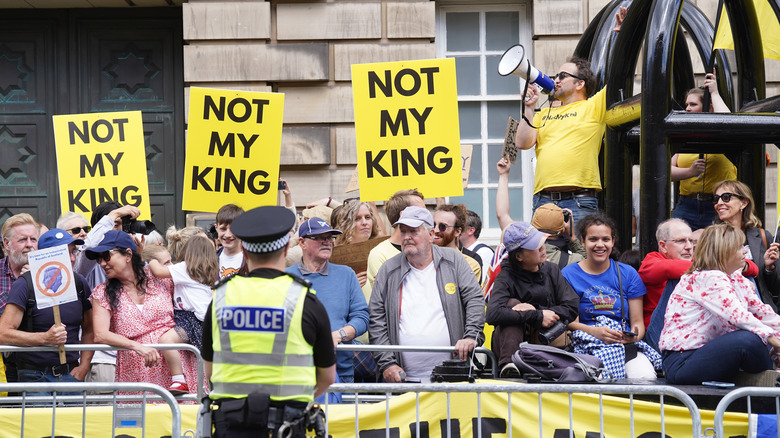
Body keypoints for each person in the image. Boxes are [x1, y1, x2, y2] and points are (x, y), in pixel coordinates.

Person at [201, 206, 335, 437]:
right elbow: (327, 377)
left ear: (244, 248)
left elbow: (210, 371)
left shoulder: (220, 298)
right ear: (286, 248)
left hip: (231, 425)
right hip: (287, 425)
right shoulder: (304, 300)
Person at [369, 206, 485, 382]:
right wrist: (387, 364)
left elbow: (474, 299)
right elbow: (376, 319)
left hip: (452, 376)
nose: (407, 237)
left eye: (414, 231)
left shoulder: (454, 260)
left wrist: (471, 336)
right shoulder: (388, 269)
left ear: (431, 234)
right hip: (403, 381)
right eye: (403, 231)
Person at [659, 224, 780, 385]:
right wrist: (775, 342)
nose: (745, 251)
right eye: (739, 247)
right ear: (724, 252)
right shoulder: (708, 277)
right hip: (682, 361)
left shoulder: (737, 279)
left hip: (707, 354)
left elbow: (764, 314)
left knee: (756, 338)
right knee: (749, 340)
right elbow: (738, 316)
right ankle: (771, 384)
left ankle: (769, 380)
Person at [88, 230, 199, 395]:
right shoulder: (102, 293)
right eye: (99, 260)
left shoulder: (161, 278)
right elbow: (100, 335)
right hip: (136, 373)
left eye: (106, 256)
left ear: (128, 255)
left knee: (182, 419)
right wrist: (137, 346)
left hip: (177, 372)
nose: (102, 264)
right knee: (140, 420)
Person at [562, 214, 661, 379]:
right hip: (586, 344)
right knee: (597, 379)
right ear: (582, 241)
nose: (600, 245)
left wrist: (630, 337)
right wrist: (596, 332)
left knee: (645, 377)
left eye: (605, 239)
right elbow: (571, 322)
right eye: (593, 239)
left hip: (624, 345)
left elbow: (637, 323)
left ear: (613, 241)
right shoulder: (569, 274)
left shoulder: (627, 273)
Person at [0, 229, 92, 397]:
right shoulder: (24, 285)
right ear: (47, 255)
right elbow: (3, 333)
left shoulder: (79, 283)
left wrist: (84, 366)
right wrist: (44, 339)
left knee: (74, 424)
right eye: (65, 253)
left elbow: (89, 328)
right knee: (40, 424)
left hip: (71, 374)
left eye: (74, 252)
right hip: (34, 377)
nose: (72, 258)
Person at [485, 222, 579, 377]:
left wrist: (538, 312)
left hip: (546, 343)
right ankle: (510, 366)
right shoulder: (505, 276)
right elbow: (492, 314)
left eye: (542, 242)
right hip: (510, 347)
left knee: (513, 307)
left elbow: (572, 305)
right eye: (536, 246)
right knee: (512, 304)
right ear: (519, 256)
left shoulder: (551, 269)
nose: (543, 248)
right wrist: (536, 316)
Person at [287, 218, 369, 384]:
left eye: (329, 238)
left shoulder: (346, 274)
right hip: (296, 373)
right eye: (319, 238)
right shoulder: (285, 277)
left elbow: (362, 317)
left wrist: (340, 334)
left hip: (341, 372)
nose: (326, 242)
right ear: (302, 242)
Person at [149, 235, 218, 394]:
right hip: (205, 320)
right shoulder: (204, 273)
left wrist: (151, 260)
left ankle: (179, 380)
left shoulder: (185, 268)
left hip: (192, 318)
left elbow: (159, 272)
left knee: (166, 341)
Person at [671, 72, 736, 231]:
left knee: (718, 250)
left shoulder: (721, 134)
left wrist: (714, 93)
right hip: (687, 204)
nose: (687, 109)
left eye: (693, 105)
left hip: (718, 204)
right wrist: (689, 172)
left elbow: (730, 123)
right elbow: (665, 172)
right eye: (686, 104)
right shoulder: (683, 135)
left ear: (708, 107)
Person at [713, 180, 780, 310]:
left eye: (726, 198)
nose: (719, 203)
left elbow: (775, 288)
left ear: (744, 203)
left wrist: (769, 268)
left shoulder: (762, 236)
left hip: (759, 311)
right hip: (725, 310)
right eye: (716, 199)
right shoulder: (711, 238)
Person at [0, 213, 39, 384]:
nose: (29, 245)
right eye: (23, 239)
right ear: (7, 244)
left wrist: (31, 282)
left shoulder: (49, 273)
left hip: (36, 364)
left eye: (33, 239)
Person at [433, 204, 482, 283]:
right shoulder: (421, 260)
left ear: (457, 231)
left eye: (442, 227)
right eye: (433, 225)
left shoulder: (469, 264)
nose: (435, 230)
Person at [531, 203, 585, 268]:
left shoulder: (522, 256)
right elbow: (587, 262)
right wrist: (572, 236)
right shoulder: (571, 260)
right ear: (562, 231)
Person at [461, 210, 495, 284]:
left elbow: (483, 285)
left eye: (459, 227)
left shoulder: (484, 252)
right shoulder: (457, 251)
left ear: (471, 230)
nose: (455, 230)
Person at [215, 203, 245, 279]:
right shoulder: (209, 261)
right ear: (216, 228)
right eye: (223, 229)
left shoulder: (251, 261)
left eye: (233, 229)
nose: (228, 235)